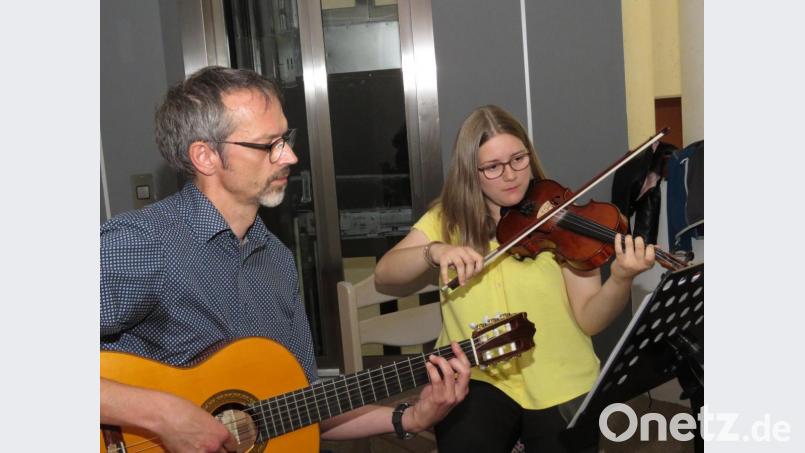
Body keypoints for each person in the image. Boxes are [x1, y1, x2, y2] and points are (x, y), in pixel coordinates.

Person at [100, 66, 471, 453]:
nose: (290, 156)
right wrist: (163, 415)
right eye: (268, 144)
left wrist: (408, 417)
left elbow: (299, 405)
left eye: (286, 138)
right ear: (206, 156)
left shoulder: (275, 259)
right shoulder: (144, 243)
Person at [374, 105, 656, 453]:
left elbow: (590, 319)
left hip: (559, 377)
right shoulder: (446, 219)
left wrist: (621, 279)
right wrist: (433, 250)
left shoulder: (559, 216)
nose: (510, 175)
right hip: (475, 377)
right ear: (470, 172)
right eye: (493, 167)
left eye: (518, 159)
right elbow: (384, 276)